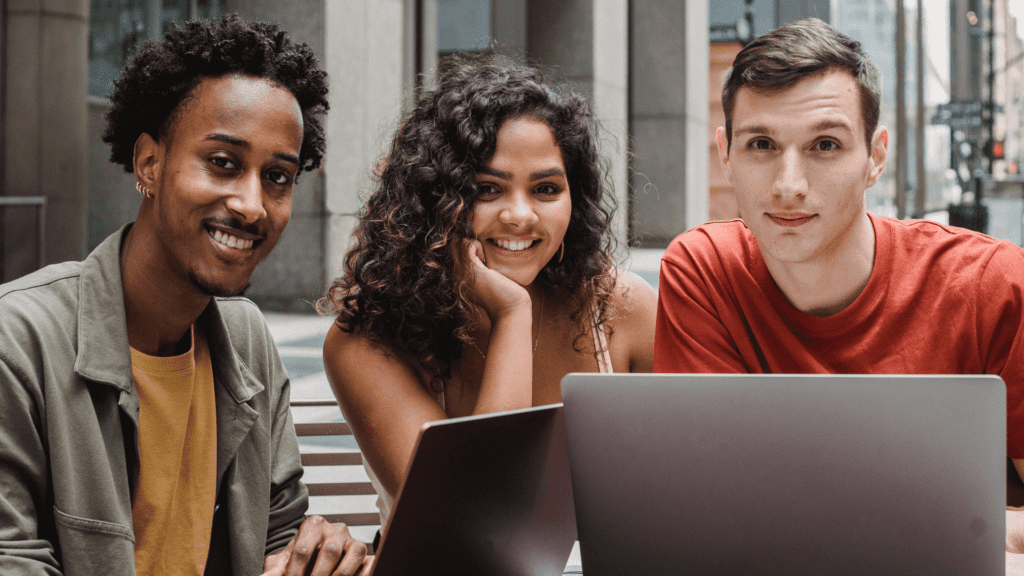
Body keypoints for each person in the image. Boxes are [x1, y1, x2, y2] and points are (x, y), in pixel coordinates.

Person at [0, 15, 371, 576]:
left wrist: (316, 553)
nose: (252, 204)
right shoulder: (19, 340)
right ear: (149, 162)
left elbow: (280, 532)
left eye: (278, 177)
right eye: (222, 163)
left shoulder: (245, 339)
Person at [653, 17, 1024, 553]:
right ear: (725, 154)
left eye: (825, 145)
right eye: (761, 144)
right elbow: (712, 505)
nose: (789, 186)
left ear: (875, 157)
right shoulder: (703, 270)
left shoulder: (995, 284)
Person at [319, 54, 657, 535]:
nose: (521, 216)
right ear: (434, 197)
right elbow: (475, 526)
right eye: (486, 189)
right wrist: (511, 312)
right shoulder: (368, 342)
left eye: (545, 189)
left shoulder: (622, 310)